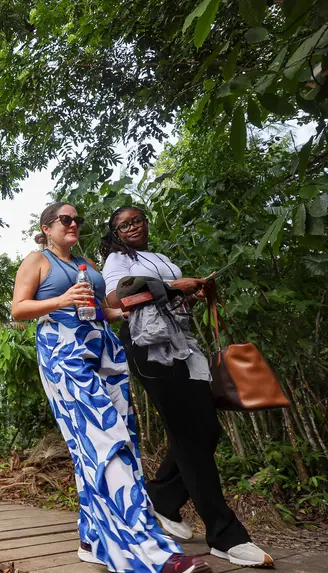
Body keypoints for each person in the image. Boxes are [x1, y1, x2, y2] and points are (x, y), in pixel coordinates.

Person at [11, 202, 211, 573]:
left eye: (77, 220)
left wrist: (133, 306)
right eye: (65, 219)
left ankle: (92, 538)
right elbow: (18, 309)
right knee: (105, 440)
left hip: (105, 351)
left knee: (113, 442)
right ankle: (147, 551)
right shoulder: (37, 261)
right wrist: (61, 300)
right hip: (65, 353)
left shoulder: (85, 263)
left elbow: (104, 309)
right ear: (47, 227)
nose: (74, 224)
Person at [101, 206, 273, 568]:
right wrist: (172, 287)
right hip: (148, 345)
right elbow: (117, 300)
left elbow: (166, 297)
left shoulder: (160, 258)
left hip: (182, 342)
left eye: (137, 220)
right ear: (115, 234)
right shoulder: (118, 260)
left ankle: (161, 499)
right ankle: (225, 535)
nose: (133, 227)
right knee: (188, 433)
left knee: (207, 429)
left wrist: (192, 293)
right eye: (124, 225)